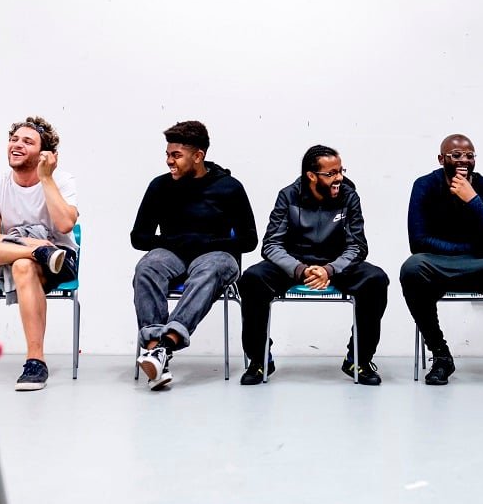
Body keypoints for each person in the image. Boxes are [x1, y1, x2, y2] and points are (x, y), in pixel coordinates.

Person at [239, 145, 388, 385]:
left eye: (340, 171)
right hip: (294, 263)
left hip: (336, 265)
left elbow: (357, 245)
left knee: (376, 279)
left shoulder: (349, 196)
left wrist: (329, 270)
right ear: (311, 175)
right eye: (331, 173)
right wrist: (300, 269)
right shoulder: (288, 196)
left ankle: (358, 360)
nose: (339, 177)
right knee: (252, 279)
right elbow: (271, 245)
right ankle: (259, 360)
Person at [399, 134, 483, 391]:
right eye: (456, 155)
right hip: (440, 267)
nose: (464, 160)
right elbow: (418, 242)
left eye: (469, 155)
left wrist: (473, 200)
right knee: (412, 267)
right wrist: (468, 250)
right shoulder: (424, 186)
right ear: (441, 159)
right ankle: (440, 354)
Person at [130, 120, 257, 390]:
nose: (169, 161)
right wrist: (174, 240)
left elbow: (249, 240)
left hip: (217, 255)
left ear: (198, 156)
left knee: (208, 270)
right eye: (167, 154)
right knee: (147, 267)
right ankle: (156, 351)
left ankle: (166, 344)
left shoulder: (229, 187)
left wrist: (208, 241)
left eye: (176, 155)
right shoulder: (159, 187)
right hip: (173, 253)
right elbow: (138, 237)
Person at [0, 116, 79, 391]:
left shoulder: (62, 180)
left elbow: (64, 225)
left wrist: (46, 178)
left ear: (45, 153)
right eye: (14, 139)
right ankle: (38, 252)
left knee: (23, 267)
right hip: (15, 254)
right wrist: (35, 247)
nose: (17, 145)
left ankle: (36, 362)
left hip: (59, 259)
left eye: (27, 141)